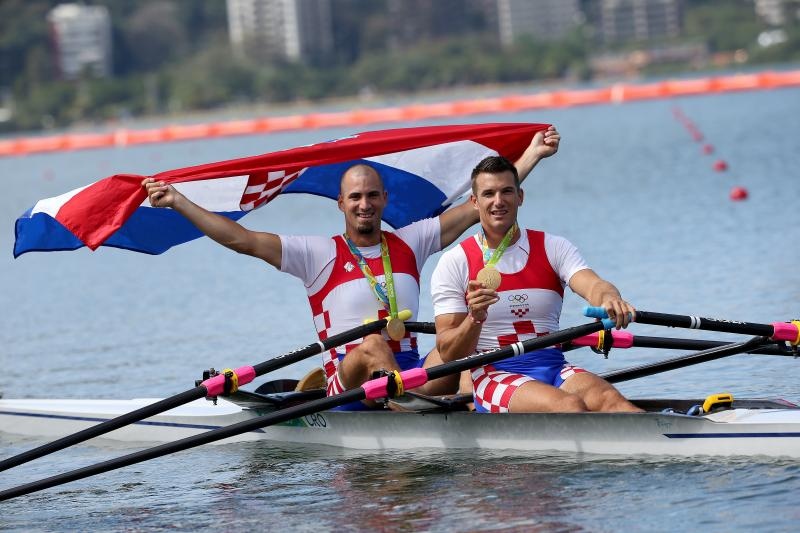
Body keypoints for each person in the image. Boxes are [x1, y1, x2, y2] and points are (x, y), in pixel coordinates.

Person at [142, 127, 561, 409]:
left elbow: (484, 206)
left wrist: (532, 156)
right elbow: (241, 240)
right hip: (347, 385)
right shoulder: (315, 254)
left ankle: (438, 405)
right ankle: (411, 416)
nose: (365, 204)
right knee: (374, 345)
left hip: (412, 378)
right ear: (341, 203)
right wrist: (179, 202)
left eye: (372, 196)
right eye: (356, 197)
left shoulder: (410, 242)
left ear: (383, 200)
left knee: (458, 349)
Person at [430, 155, 642, 413]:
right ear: (474, 202)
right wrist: (474, 318)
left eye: (506, 191)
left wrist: (610, 298)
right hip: (492, 373)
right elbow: (449, 352)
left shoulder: (553, 247)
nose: (499, 201)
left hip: (553, 366)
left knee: (614, 403)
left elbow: (594, 286)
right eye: (489, 194)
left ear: (520, 196)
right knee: (568, 405)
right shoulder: (455, 262)